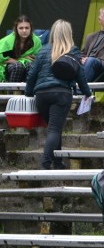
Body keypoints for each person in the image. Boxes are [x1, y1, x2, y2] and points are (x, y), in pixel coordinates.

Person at [24, 19, 91, 170]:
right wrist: (88, 93)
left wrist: (28, 93)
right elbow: (81, 75)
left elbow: (32, 75)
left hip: (41, 94)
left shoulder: (42, 50)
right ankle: (45, 164)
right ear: (69, 34)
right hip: (61, 94)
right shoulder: (72, 50)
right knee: (54, 129)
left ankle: (58, 162)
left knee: (55, 127)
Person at [0, 15, 42, 83]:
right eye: (21, 28)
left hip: (26, 65)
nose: (24, 30)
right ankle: (12, 92)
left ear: (30, 28)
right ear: (16, 29)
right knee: (17, 66)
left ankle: (28, 92)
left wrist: (23, 59)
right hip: (6, 67)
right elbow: (2, 58)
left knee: (30, 65)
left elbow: (38, 57)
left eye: (27, 28)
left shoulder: (36, 41)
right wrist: (16, 60)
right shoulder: (7, 41)